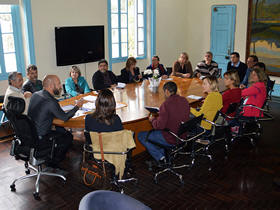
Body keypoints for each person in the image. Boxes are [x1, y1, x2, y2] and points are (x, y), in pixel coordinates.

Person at [28, 75, 83, 166]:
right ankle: (53, 162)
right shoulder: (50, 101)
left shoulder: (36, 94)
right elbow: (64, 118)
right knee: (68, 137)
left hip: (31, 134)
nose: (61, 86)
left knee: (60, 130)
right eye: (58, 84)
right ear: (50, 86)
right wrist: (77, 106)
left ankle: (51, 155)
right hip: (41, 137)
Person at [138, 81, 190, 164]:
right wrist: (162, 114)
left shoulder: (166, 105)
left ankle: (161, 157)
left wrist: (153, 120)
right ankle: (163, 152)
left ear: (166, 91)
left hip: (171, 137)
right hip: (182, 136)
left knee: (141, 135)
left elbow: (158, 126)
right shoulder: (184, 100)